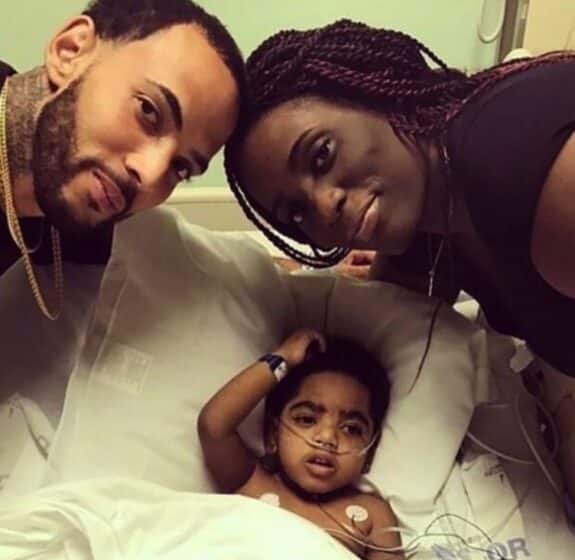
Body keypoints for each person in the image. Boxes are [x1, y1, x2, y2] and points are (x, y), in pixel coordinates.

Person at [223, 20, 575, 494]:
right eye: (299, 213)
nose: (326, 208)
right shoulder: (432, 216)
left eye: (322, 154)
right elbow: (388, 314)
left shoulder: (511, 166)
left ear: (373, 92)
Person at [0, 0, 244, 321]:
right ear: (70, 51)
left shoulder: (64, 219)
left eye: (180, 167)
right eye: (148, 111)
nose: (151, 174)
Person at [198, 328, 401, 559]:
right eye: (306, 419)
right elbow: (213, 425)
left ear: (370, 453)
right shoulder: (251, 481)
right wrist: (281, 359)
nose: (327, 438)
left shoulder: (373, 514)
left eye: (351, 429)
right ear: (273, 436)